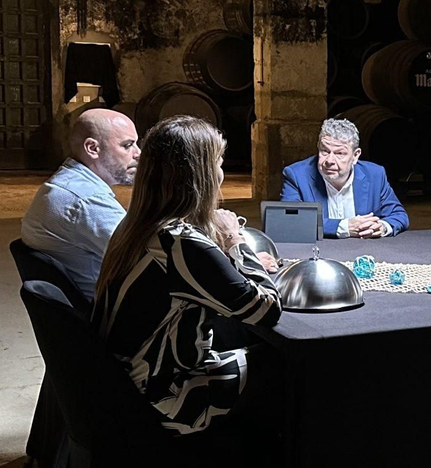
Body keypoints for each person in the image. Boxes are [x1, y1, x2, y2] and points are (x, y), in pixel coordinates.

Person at [94, 116, 282, 434]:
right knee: (290, 360)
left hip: (121, 385)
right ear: (202, 175)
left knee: (238, 336)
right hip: (165, 395)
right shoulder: (180, 242)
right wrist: (234, 240)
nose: (221, 173)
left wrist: (225, 260)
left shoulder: (136, 225)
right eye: (218, 163)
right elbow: (266, 309)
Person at [20, 108, 141, 300]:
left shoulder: (66, 184)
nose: (138, 153)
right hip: (108, 309)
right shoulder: (86, 199)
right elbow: (145, 257)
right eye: (127, 145)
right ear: (92, 148)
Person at [280, 118, 409, 239]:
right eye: (325, 151)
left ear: (355, 156)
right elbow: (289, 220)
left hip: (365, 250)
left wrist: (382, 227)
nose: (330, 160)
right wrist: (344, 227)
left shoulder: (374, 174)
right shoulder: (296, 175)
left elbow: (398, 215)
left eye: (340, 153)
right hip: (320, 251)